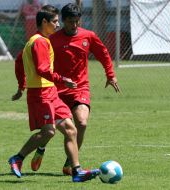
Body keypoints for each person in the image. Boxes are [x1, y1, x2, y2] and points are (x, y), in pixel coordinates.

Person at [9, 5, 99, 182]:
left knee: (71, 130)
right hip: (41, 93)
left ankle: (76, 171)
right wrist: (62, 79)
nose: (58, 25)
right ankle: (18, 158)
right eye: (55, 21)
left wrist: (21, 86)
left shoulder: (35, 40)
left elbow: (19, 62)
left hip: (51, 92)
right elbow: (43, 69)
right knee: (49, 132)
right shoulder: (40, 42)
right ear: (44, 22)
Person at [30, 3, 120, 175]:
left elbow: (103, 54)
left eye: (77, 21)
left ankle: (70, 164)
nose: (74, 25)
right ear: (63, 21)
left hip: (80, 88)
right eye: (71, 21)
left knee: (82, 122)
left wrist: (110, 75)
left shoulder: (89, 36)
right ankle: (41, 147)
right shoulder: (52, 39)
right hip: (56, 90)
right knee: (50, 129)